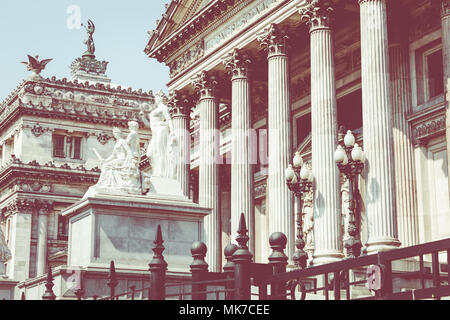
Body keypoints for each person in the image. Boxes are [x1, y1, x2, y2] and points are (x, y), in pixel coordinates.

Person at [84, 127, 141, 197]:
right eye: (114, 133)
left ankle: (102, 183)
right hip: (117, 160)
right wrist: (105, 160)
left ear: (118, 133)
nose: (114, 135)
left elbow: (128, 151)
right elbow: (113, 155)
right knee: (106, 165)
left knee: (106, 166)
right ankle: (105, 183)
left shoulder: (122, 141)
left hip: (122, 160)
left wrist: (130, 161)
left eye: (115, 133)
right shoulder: (117, 143)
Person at [140, 90, 177, 178]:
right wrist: (143, 117)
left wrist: (172, 132)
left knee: (161, 152)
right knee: (150, 153)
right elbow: (149, 125)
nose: (155, 100)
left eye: (156, 98)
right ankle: (156, 170)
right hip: (154, 132)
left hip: (161, 129)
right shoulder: (156, 109)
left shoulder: (164, 108)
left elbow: (169, 119)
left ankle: (161, 173)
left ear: (160, 98)